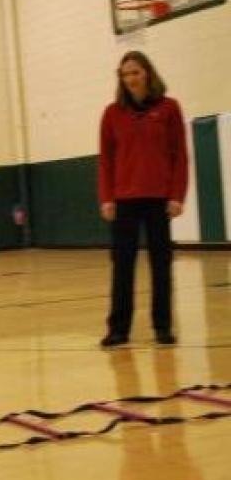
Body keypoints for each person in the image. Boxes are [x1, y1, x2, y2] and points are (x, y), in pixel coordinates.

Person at [98, 50, 188, 347]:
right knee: (122, 265)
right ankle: (118, 329)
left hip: (158, 198)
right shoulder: (112, 114)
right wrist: (107, 197)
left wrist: (177, 195)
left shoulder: (169, 108)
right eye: (125, 74)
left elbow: (179, 156)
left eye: (135, 72)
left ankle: (162, 326)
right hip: (124, 199)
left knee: (161, 264)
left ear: (147, 73)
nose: (131, 79)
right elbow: (106, 160)